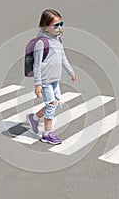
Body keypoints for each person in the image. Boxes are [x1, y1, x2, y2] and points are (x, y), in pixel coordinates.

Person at [27, 9, 78, 145]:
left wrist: (71, 72)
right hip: (45, 81)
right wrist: (37, 84)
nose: (59, 27)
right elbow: (37, 65)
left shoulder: (58, 40)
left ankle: (34, 118)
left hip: (55, 79)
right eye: (55, 25)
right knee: (51, 105)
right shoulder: (41, 43)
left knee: (56, 104)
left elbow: (63, 58)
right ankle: (47, 134)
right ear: (45, 26)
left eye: (61, 23)